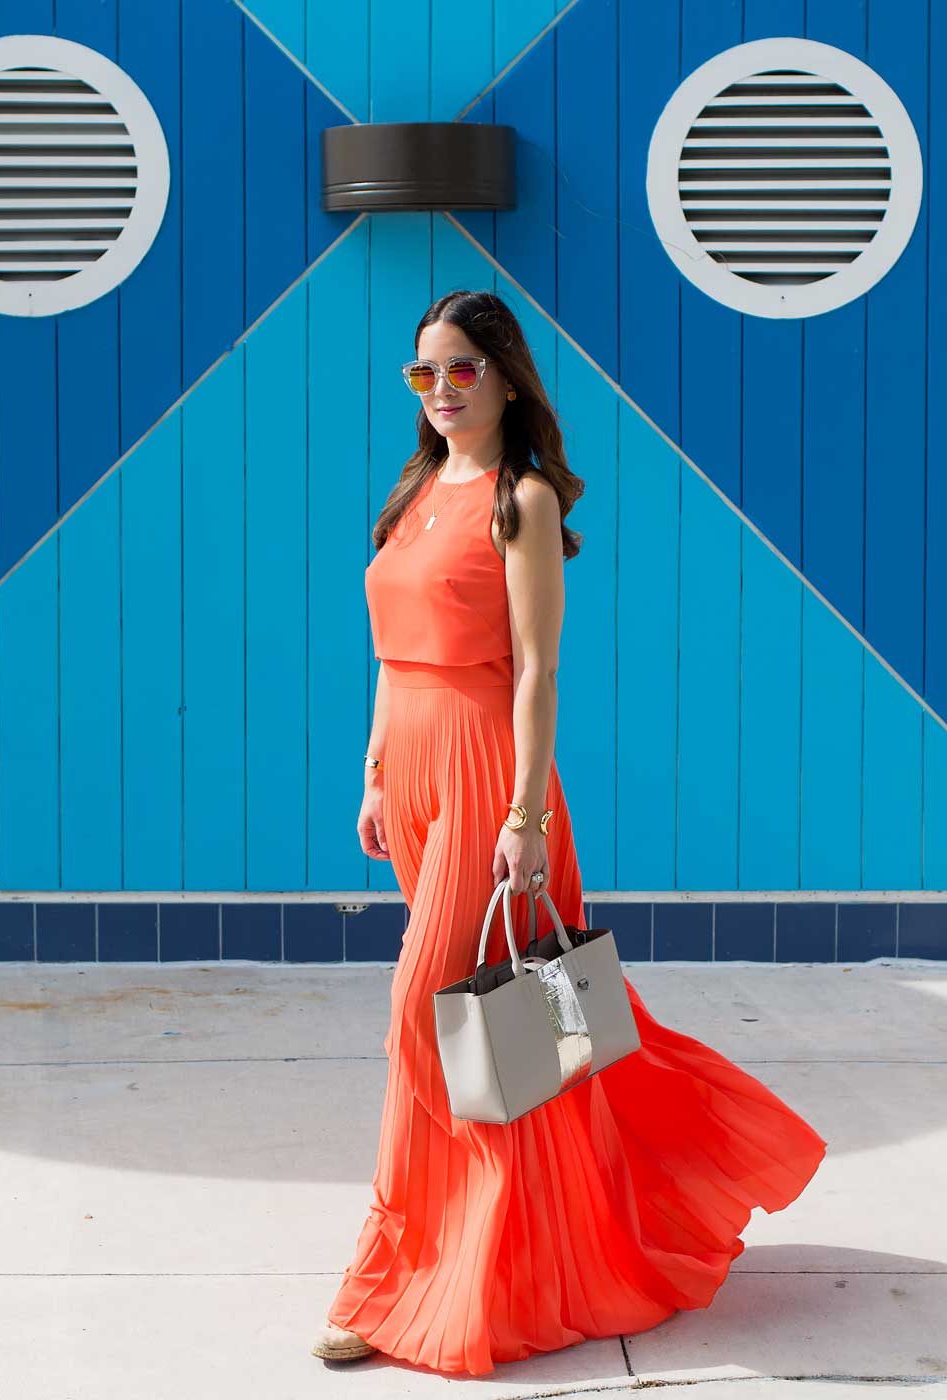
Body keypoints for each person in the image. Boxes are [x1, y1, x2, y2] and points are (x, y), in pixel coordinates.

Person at [311, 289, 828, 1376]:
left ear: (506, 377)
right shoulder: (414, 488)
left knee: (426, 1016)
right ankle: (493, 1244)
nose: (442, 391)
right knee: (498, 1033)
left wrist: (525, 814)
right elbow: (387, 649)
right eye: (424, 374)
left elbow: (537, 666)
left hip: (487, 773)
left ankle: (389, 1269)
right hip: (409, 768)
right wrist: (370, 772)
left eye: (461, 369)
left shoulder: (523, 497)